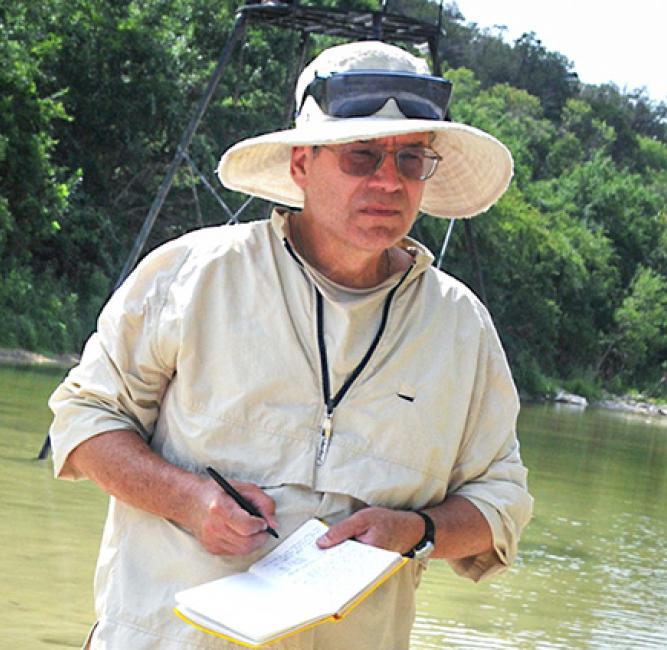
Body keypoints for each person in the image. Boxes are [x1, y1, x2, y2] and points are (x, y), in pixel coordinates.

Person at [48, 40, 533, 649]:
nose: (388, 181)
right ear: (301, 164)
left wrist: (416, 531)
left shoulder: (461, 327)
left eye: (411, 159)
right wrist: (193, 500)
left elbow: (501, 503)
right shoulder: (195, 274)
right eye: (361, 156)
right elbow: (83, 420)